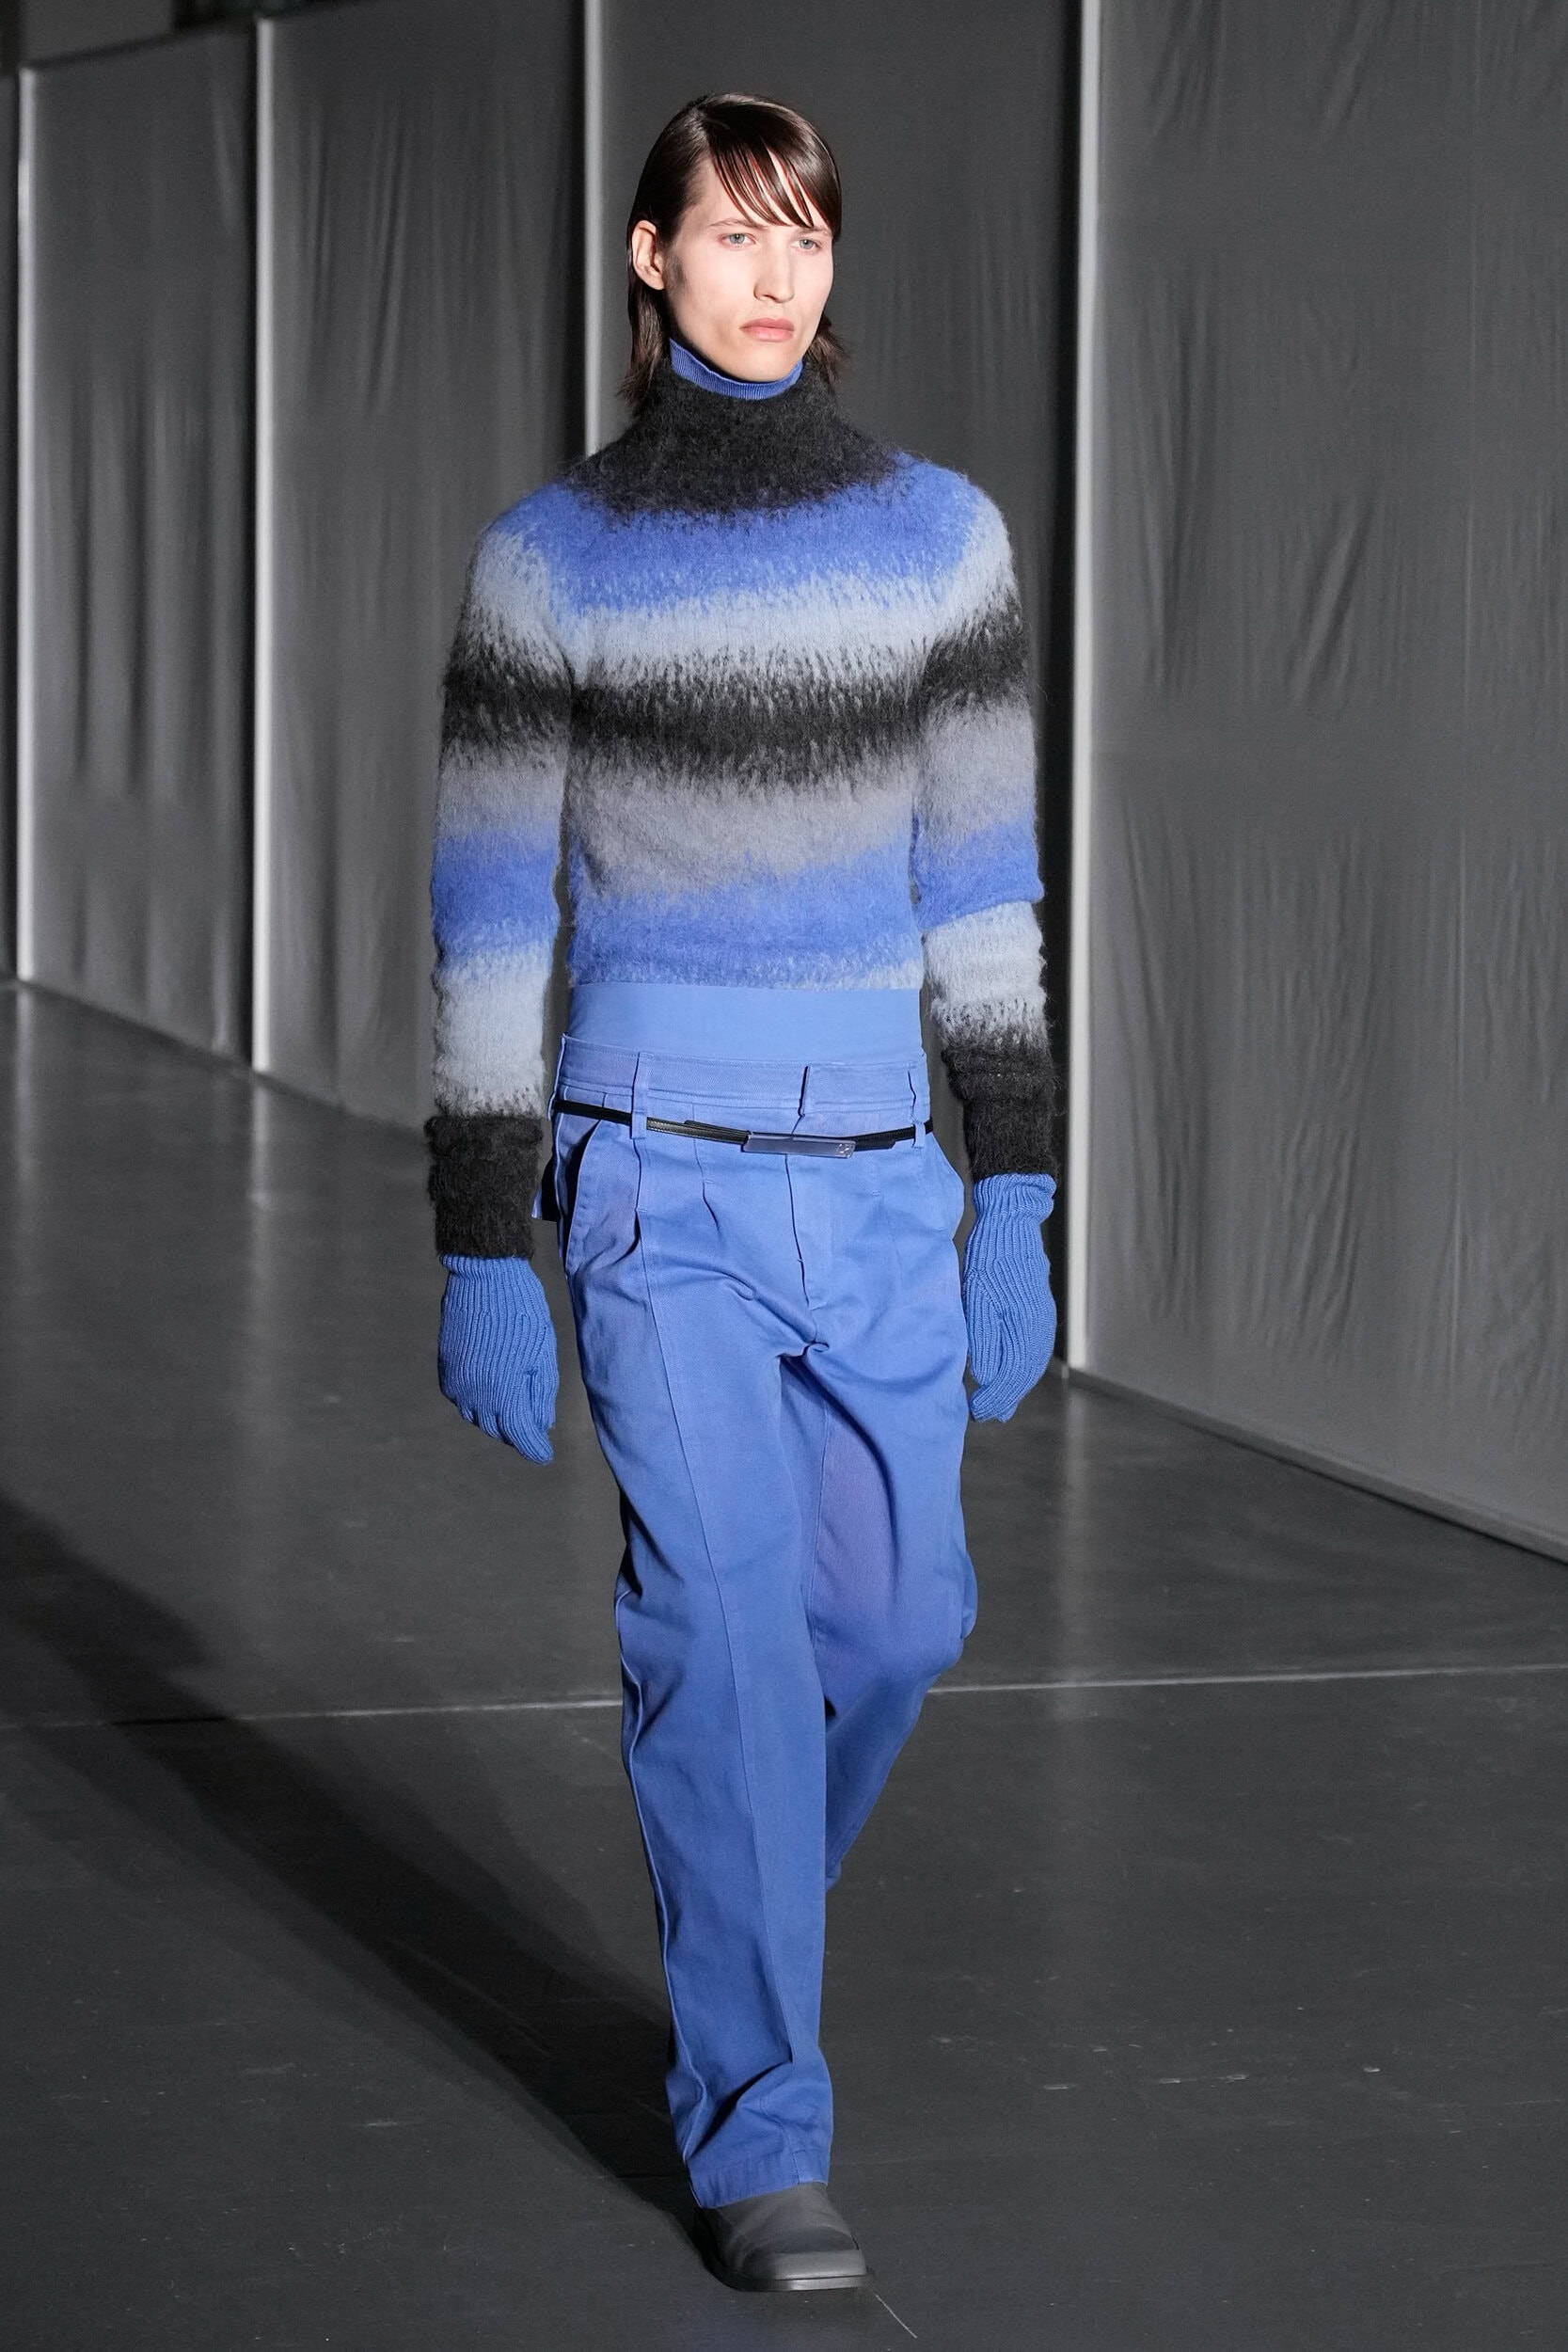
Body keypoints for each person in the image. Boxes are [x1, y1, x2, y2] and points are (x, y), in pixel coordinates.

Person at [425, 92, 1057, 2295]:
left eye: (807, 235)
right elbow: (488, 915)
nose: (777, 275)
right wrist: (475, 1230)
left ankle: (742, 1905)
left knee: (898, 1622)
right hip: (653, 1182)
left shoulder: (939, 542)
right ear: (649, 256)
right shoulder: (551, 561)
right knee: (716, 1625)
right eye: (733, 232)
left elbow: (984, 889)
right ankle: (761, 2128)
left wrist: (1016, 1186)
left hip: (881, 1178)